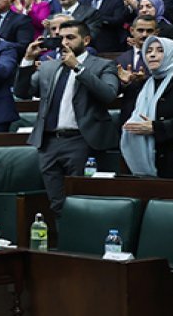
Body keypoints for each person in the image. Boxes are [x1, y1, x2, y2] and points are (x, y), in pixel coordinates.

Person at [14, 19, 119, 220]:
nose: (64, 43)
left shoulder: (103, 65)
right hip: (49, 142)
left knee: (81, 201)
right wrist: (27, 60)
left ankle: (81, 245)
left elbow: (108, 94)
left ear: (86, 40)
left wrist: (78, 68)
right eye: (60, 38)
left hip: (81, 141)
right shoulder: (48, 66)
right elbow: (22, 92)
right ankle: (63, 247)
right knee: (56, 203)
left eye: (70, 38)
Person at [119, 36, 173, 178]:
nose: (152, 54)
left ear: (172, 54)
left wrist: (157, 128)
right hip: (145, 158)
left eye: (160, 50)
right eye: (149, 51)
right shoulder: (144, 84)